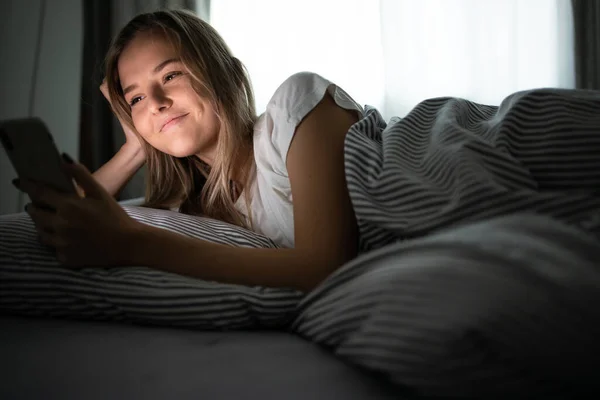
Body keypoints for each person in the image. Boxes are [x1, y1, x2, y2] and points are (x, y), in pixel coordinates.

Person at [13, 9, 363, 293]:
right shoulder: (190, 211)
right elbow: (69, 217)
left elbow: (326, 265)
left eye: (170, 76)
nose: (155, 103)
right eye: (135, 98)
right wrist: (136, 149)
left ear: (230, 75)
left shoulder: (296, 111)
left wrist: (132, 244)